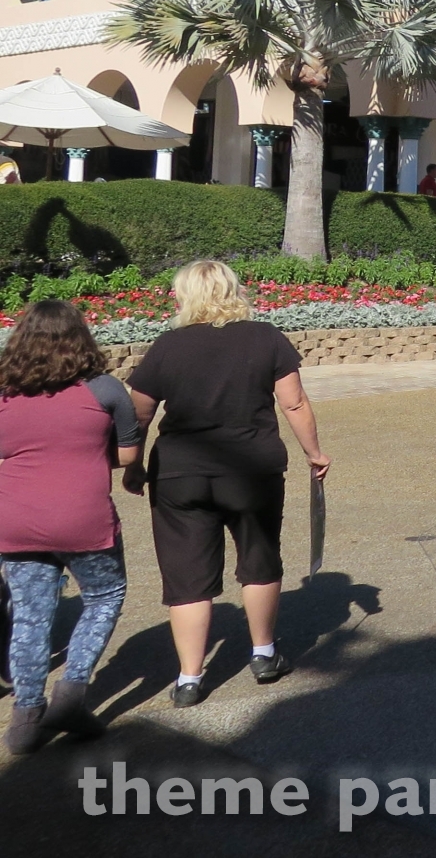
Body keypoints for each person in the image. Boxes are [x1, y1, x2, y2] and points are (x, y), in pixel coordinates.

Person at [124, 261, 331, 708]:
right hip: (252, 468)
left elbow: (139, 413)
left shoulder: (167, 345)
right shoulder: (266, 337)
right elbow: (294, 403)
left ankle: (189, 678)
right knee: (259, 559)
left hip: (179, 474)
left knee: (187, 576)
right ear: (234, 291)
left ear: (185, 296)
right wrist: (314, 452)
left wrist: (133, 465)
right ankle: (264, 654)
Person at [0, 301, 140, 755]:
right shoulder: (105, 389)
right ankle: (70, 695)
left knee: (30, 615)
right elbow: (128, 455)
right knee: (104, 596)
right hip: (83, 517)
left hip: (16, 520)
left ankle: (25, 718)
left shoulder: (4, 393)